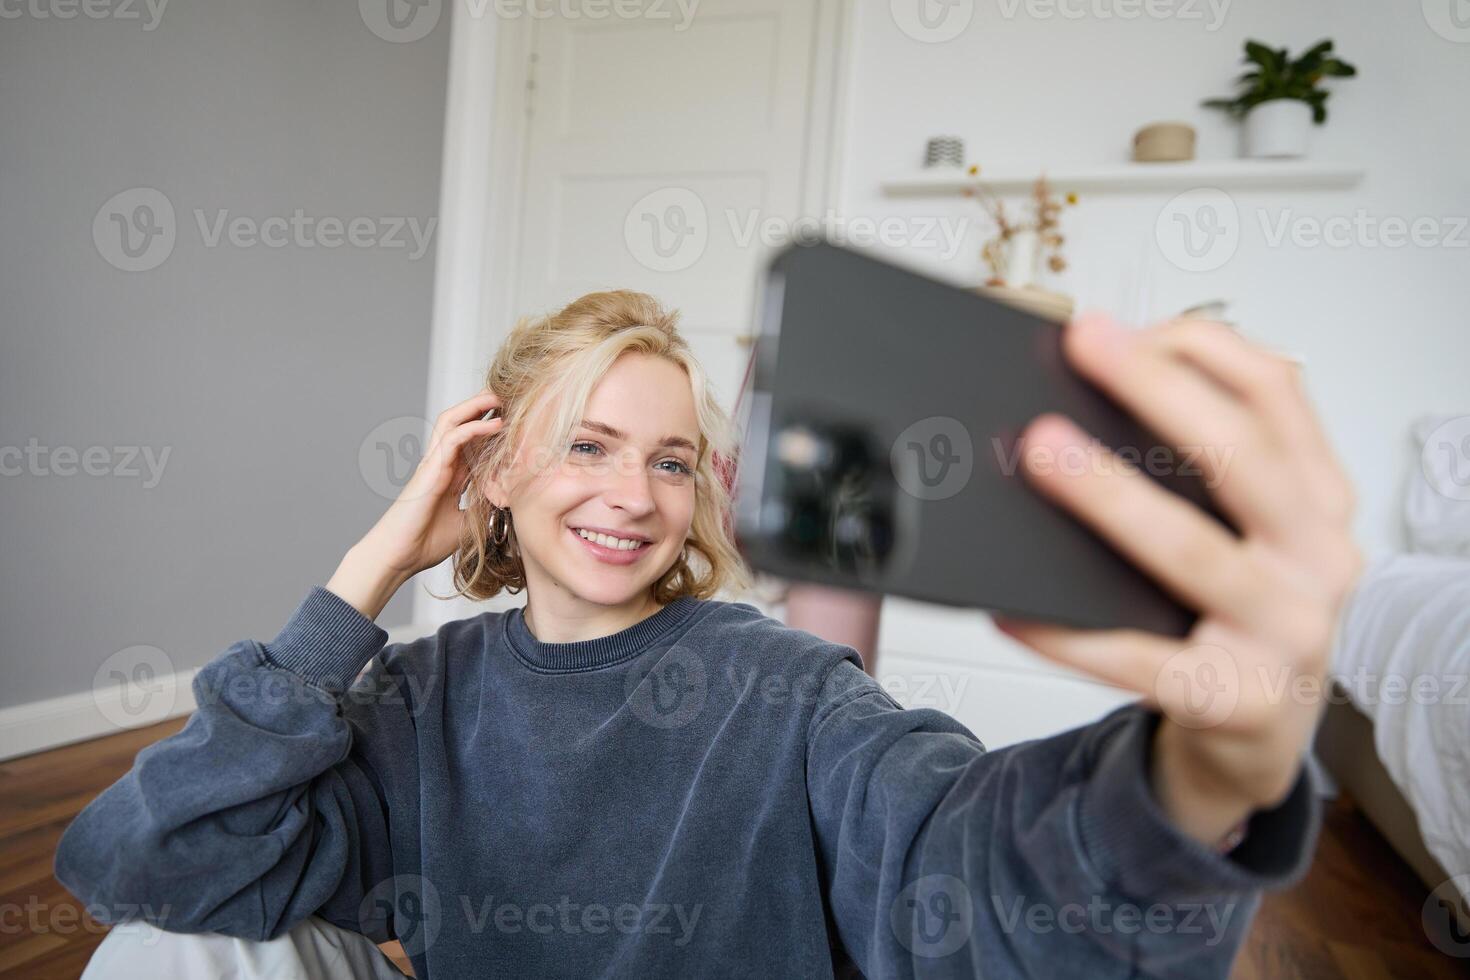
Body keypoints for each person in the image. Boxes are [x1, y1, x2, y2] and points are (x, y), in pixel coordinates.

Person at [56, 290, 1361, 979]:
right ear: (490, 472)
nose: (633, 494)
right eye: (588, 445)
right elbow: (139, 863)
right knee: (164, 945)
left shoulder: (780, 684)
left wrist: (1204, 780)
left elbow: (959, 865)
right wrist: (360, 584)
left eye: (671, 460)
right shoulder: (414, 696)